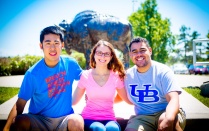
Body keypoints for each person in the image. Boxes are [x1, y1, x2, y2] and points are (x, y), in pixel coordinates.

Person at [3, 26, 84, 131]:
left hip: (65, 118)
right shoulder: (32, 74)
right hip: (39, 119)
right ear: (41, 46)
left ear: (62, 45)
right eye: (48, 43)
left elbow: (88, 79)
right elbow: (20, 104)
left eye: (56, 43)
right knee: (20, 121)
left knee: (77, 121)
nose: (52, 48)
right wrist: (6, 128)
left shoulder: (71, 64)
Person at [124, 37, 186, 131]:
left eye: (142, 50)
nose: (139, 54)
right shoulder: (127, 76)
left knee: (165, 121)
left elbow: (173, 99)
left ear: (150, 51)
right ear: (130, 54)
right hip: (142, 117)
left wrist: (168, 119)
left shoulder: (163, 71)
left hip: (166, 111)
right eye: (134, 51)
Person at [72, 40, 132, 131]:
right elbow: (74, 101)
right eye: (99, 53)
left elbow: (128, 100)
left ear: (111, 56)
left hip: (109, 118)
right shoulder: (85, 75)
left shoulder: (116, 76)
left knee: (113, 129)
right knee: (98, 128)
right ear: (94, 55)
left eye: (106, 53)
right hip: (89, 118)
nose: (102, 56)